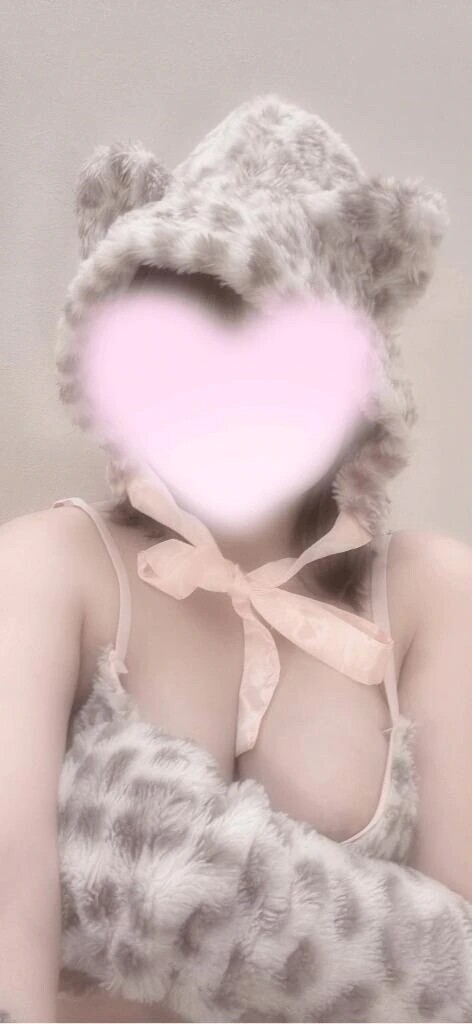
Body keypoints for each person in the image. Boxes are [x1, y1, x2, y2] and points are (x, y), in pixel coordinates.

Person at [1, 93, 471, 1023]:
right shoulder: (49, 568)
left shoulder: (429, 593)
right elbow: (7, 923)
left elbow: (462, 979)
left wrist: (165, 876)